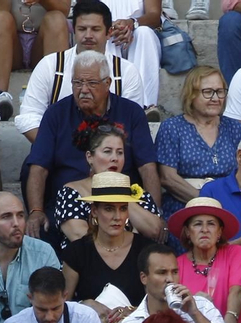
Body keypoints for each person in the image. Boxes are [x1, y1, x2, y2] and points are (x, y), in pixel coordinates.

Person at [24, 50, 160, 227]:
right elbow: (38, 167)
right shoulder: (56, 114)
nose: (84, 90)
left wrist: (155, 213)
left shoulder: (132, 112)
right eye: (78, 83)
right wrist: (36, 211)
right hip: (71, 200)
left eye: (92, 83)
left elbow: (147, 167)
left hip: (122, 203)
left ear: (108, 83)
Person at [14, 1, 148, 141]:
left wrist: (98, 154)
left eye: (96, 29)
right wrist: (57, 149)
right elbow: (28, 117)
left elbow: (132, 123)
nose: (88, 35)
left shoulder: (126, 72)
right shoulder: (50, 65)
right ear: (73, 29)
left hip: (108, 158)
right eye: (82, 29)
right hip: (56, 156)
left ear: (109, 33)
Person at [52, 124, 165, 249]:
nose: (115, 158)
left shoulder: (138, 193)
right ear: (90, 157)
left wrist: (121, 195)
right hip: (87, 265)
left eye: (120, 153)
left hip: (135, 265)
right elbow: (79, 236)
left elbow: (155, 231)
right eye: (107, 152)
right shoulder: (71, 192)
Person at [157, 67, 241, 218]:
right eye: (208, 92)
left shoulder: (234, 128)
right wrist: (206, 203)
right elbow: (168, 178)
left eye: (220, 91)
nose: (215, 98)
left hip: (228, 206)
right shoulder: (172, 128)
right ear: (191, 95)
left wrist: (225, 205)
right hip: (185, 206)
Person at [60, 173, 151, 318]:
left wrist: (135, 312)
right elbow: (61, 306)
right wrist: (83, 305)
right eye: (109, 209)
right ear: (94, 211)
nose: (117, 217)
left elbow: (158, 303)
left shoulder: (145, 249)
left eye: (123, 208)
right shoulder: (77, 252)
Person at [0, 191, 64, 322]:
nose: (16, 223)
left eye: (20, 215)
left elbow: (53, 306)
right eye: (6, 217)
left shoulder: (43, 253)